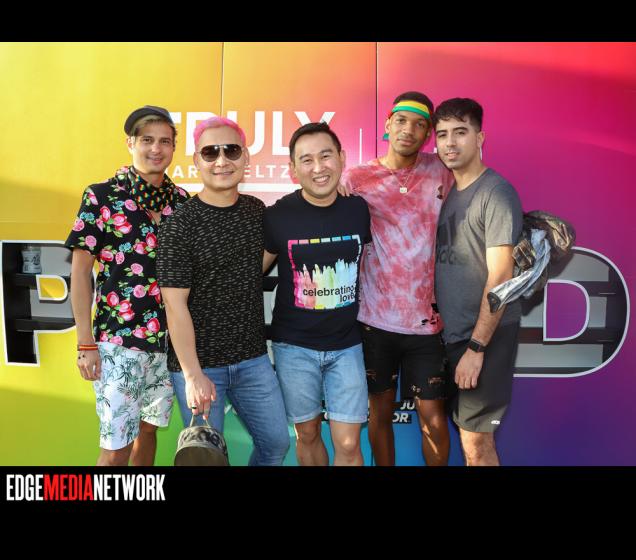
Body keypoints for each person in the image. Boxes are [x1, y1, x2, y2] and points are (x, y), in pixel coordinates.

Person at [156, 116, 290, 466]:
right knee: (207, 459)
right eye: (210, 152)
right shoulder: (179, 225)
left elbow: (258, 264)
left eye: (231, 150)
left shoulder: (256, 212)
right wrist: (192, 375)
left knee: (276, 445)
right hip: (200, 366)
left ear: (245, 157)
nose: (221, 160)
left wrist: (341, 189)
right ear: (196, 161)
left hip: (252, 360)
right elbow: (174, 306)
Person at [66, 105, 190, 466]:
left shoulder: (181, 203)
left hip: (168, 345)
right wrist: (85, 343)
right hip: (118, 343)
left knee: (148, 432)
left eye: (164, 141)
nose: (156, 149)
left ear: (174, 147)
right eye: (147, 140)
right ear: (131, 143)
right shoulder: (102, 196)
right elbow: (80, 274)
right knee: (115, 448)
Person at [340, 92, 454, 466]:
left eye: (420, 124)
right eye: (402, 120)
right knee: (380, 413)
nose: (409, 130)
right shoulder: (356, 177)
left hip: (427, 324)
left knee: (433, 419)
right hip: (375, 322)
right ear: (388, 124)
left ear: (428, 133)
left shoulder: (442, 170)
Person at [264, 122, 371, 466]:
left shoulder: (359, 210)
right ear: (293, 170)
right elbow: (251, 274)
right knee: (307, 434)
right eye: (306, 160)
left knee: (349, 444)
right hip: (294, 347)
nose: (318, 167)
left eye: (326, 156)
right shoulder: (277, 216)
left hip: (347, 345)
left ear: (341, 158)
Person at [433, 97, 523, 466]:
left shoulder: (495, 192)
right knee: (467, 434)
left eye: (460, 132)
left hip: (484, 338)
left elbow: (501, 277)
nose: (450, 143)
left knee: (476, 441)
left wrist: (476, 348)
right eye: (442, 134)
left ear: (480, 138)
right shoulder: (452, 192)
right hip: (455, 337)